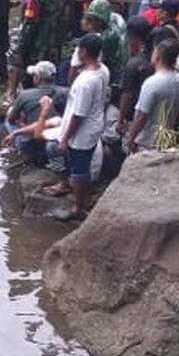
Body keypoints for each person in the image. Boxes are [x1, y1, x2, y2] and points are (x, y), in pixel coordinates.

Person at [43, 33, 108, 222]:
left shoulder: (85, 82)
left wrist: (65, 139)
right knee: (82, 166)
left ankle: (78, 208)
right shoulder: (102, 69)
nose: (76, 52)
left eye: (78, 49)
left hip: (82, 131)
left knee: (79, 169)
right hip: (94, 124)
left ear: (84, 51)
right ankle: (82, 199)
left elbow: (79, 114)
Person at [126, 39, 179, 154]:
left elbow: (141, 116)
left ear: (158, 56)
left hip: (146, 142)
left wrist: (131, 138)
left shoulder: (152, 83)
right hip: (166, 141)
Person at [2, 60, 68, 166]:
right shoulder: (66, 92)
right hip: (57, 143)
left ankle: (16, 147)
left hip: (33, 145)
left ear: (38, 78)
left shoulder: (25, 95)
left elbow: (11, 119)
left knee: (9, 118)